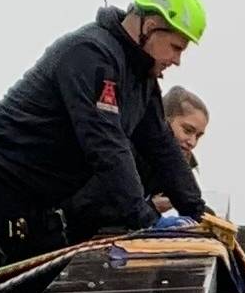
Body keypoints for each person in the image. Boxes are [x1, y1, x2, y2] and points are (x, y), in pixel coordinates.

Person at [0, 0, 216, 282]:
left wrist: (199, 212)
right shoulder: (91, 55)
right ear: (151, 27)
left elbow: (161, 146)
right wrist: (146, 221)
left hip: (40, 206)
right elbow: (106, 144)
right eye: (176, 47)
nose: (177, 60)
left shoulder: (140, 76)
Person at [64, 84, 213, 240]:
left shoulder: (179, 168)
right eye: (188, 130)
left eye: (198, 136)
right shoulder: (125, 155)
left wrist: (209, 221)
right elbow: (92, 207)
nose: (192, 142)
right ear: (164, 122)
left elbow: (191, 201)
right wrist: (151, 208)